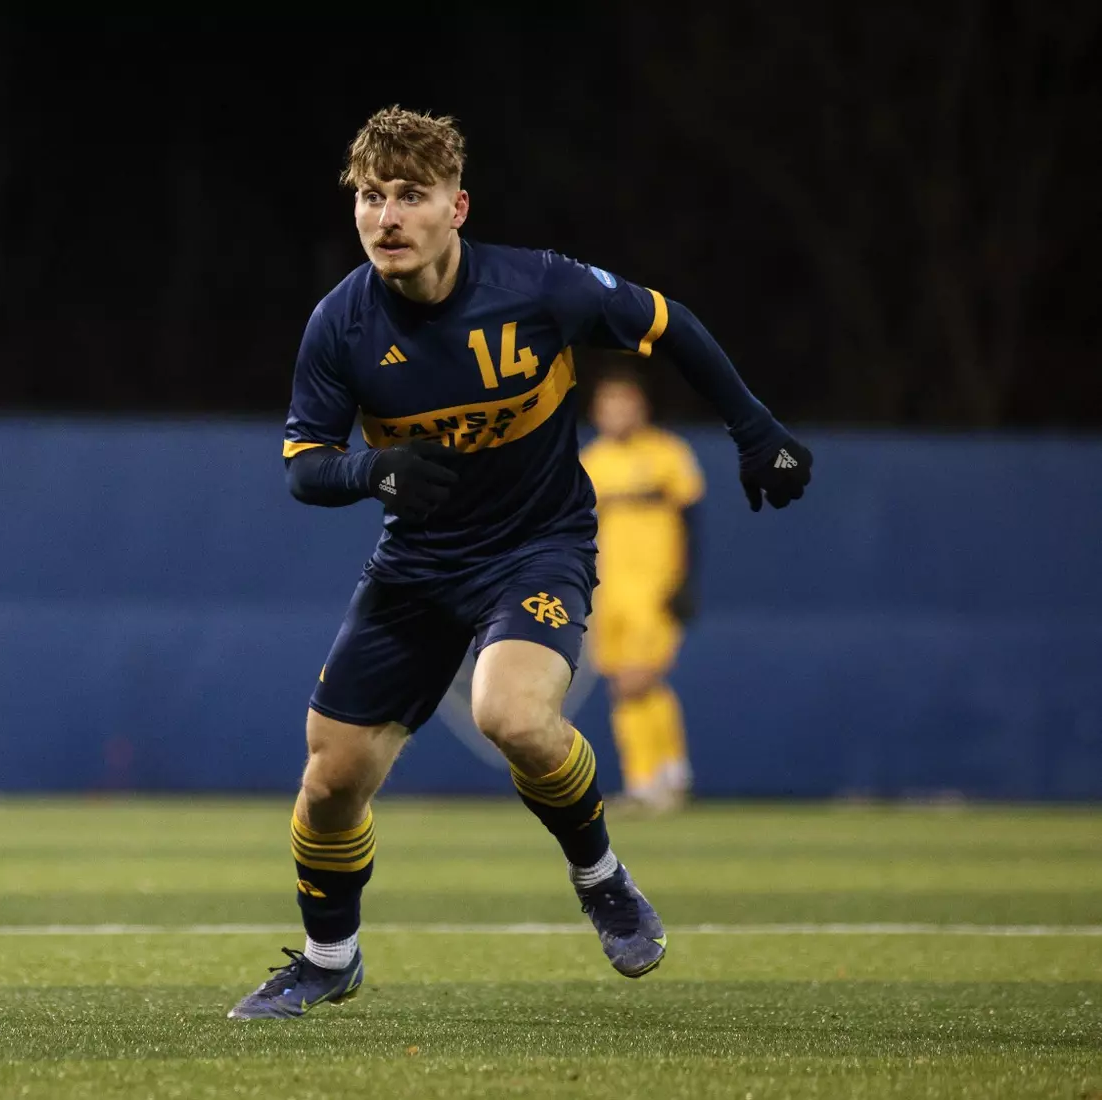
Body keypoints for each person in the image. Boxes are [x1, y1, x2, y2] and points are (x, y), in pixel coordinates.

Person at [227, 106, 811, 1020]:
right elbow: (303, 469)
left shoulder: (537, 288)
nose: (385, 217)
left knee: (512, 715)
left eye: (409, 196)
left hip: (535, 548)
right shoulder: (339, 324)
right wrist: (372, 469)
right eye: (370, 197)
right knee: (330, 777)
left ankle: (601, 873)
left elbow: (668, 322)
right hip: (415, 568)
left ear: (456, 208)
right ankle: (327, 956)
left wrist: (754, 428)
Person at [580, 369, 705, 814]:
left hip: (654, 588)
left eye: (624, 403)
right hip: (608, 591)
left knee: (638, 680)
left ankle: (647, 782)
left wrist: (686, 582)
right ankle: (670, 773)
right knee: (624, 685)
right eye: (608, 405)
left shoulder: (668, 454)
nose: (616, 413)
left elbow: (692, 521)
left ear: (641, 408)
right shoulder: (592, 462)